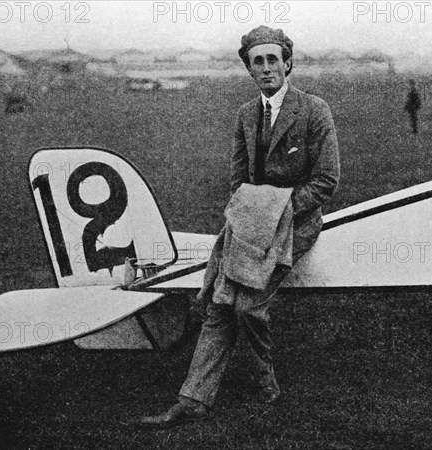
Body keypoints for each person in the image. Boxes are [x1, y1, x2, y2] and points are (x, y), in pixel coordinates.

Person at [141, 26, 340, 428]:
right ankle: (192, 399)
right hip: (249, 222)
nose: (266, 68)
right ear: (249, 70)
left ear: (288, 63)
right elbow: (237, 179)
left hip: (295, 224)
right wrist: (250, 213)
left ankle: (264, 377)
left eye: (272, 60)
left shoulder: (314, 109)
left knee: (248, 305)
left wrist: (277, 211)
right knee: (217, 303)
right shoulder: (247, 115)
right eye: (257, 62)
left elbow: (326, 181)